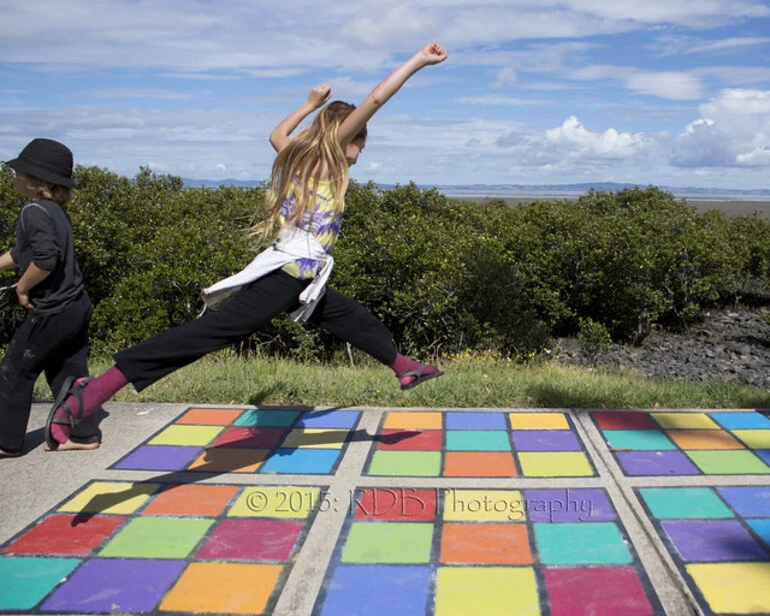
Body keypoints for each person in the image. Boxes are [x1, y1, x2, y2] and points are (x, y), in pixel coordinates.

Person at [44, 42, 448, 449]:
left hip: (296, 273)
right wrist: (418, 61)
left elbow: (276, 134)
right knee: (208, 334)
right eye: (361, 141)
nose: (361, 151)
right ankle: (88, 396)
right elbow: (377, 97)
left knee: (349, 316)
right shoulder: (327, 159)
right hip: (291, 273)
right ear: (346, 135)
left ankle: (404, 367)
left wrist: (308, 103)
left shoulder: (297, 155)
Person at [0, 138, 102, 456]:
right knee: (68, 371)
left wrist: (22, 288)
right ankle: (83, 435)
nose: (14, 175)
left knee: (15, 370)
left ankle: (6, 442)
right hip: (76, 305)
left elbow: (44, 260)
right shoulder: (54, 210)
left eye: (19, 171)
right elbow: (22, 253)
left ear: (34, 179)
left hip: (54, 309)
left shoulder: (32, 210)